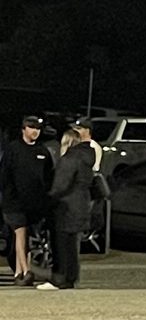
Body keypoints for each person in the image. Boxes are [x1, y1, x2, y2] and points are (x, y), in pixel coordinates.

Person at [39, 125, 94, 290]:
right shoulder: (86, 157)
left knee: (61, 243)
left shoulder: (69, 159)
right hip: (81, 204)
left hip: (66, 206)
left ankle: (59, 278)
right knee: (72, 245)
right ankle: (71, 277)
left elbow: (60, 185)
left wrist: (48, 199)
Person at [1, 116, 53, 285]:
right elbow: (4, 176)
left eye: (37, 128)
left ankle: (18, 273)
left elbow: (47, 177)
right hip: (14, 203)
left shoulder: (42, 151)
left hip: (34, 204)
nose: (35, 131)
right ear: (23, 129)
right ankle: (26, 270)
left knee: (24, 237)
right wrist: (8, 197)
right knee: (20, 234)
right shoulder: (13, 149)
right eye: (31, 128)